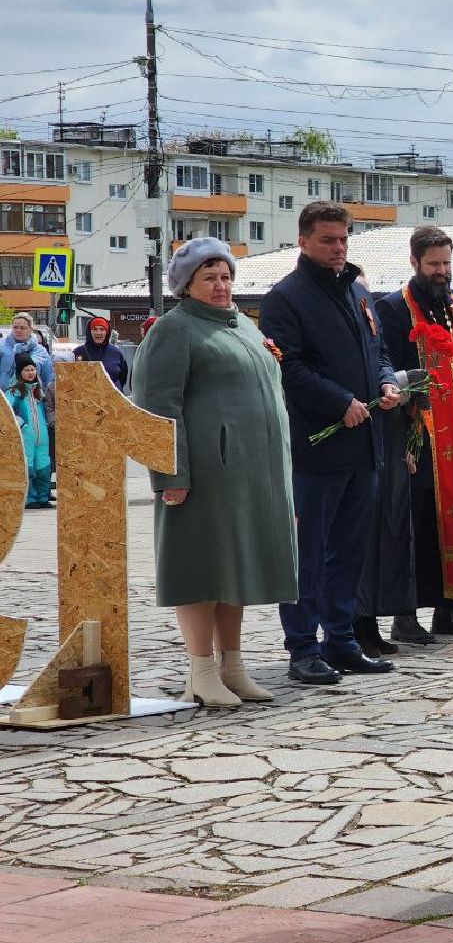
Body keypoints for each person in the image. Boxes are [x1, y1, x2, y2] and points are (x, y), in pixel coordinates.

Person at [131, 237, 298, 706]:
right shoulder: (174, 329)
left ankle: (233, 665)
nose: (221, 285)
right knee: (199, 569)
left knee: (233, 567)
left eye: (225, 276)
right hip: (202, 475)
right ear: (186, 285)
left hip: (250, 475)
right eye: (209, 278)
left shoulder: (242, 324)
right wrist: (170, 475)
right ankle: (200, 669)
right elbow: (157, 407)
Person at [259, 201, 402, 686]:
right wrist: (339, 400)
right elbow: (288, 366)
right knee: (309, 553)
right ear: (302, 241)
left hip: (365, 445)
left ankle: (340, 640)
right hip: (316, 449)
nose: (338, 248)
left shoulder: (359, 292)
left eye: (343, 239)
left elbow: (378, 350)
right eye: (327, 240)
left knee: (349, 550)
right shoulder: (286, 298)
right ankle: (302, 647)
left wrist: (386, 382)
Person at [371, 226, 453, 642]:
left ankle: (452, 610)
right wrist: (406, 427)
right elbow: (386, 370)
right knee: (415, 525)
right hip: (418, 436)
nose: (442, 272)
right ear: (414, 262)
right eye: (433, 264)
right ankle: (405, 616)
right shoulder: (393, 309)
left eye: (446, 263)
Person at [7, 354, 51, 509]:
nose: (30, 373)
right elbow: (8, 412)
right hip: (26, 437)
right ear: (20, 372)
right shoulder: (14, 392)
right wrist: (22, 425)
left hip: (42, 437)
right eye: (26, 370)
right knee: (29, 467)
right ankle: (30, 498)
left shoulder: (38, 392)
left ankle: (43, 497)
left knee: (43, 467)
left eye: (33, 369)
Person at [1, 313, 55, 393]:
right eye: (15, 327)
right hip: (4, 397)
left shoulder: (40, 351)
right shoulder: (1, 346)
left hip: (32, 398)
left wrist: (45, 398)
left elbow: (47, 378)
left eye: (23, 328)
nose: (18, 330)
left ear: (31, 329)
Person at [73, 316, 128, 391]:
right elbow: (75, 377)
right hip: (89, 399)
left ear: (107, 332)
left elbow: (123, 377)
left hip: (113, 399)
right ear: (89, 332)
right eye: (94, 329)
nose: (98, 333)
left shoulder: (116, 353)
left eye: (102, 329)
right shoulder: (79, 352)